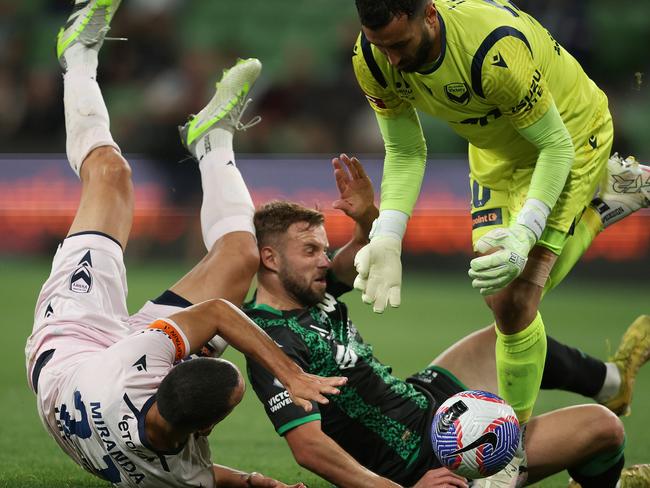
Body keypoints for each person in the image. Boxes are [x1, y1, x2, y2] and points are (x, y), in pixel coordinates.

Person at [25, 2, 346, 487]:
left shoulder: (143, 366)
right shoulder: (172, 475)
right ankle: (211, 138)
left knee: (111, 177)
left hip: (71, 339)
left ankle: (79, 57)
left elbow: (218, 314)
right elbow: (198, 472)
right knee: (242, 256)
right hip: (106, 388)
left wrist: (290, 375)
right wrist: (264, 483)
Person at [244, 154, 650, 487]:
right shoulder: (268, 339)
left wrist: (368, 216)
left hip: (423, 404)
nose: (324, 260)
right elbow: (309, 447)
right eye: (311, 250)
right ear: (270, 259)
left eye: (324, 248)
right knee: (602, 429)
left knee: (503, 336)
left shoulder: (313, 288)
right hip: (423, 460)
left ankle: (612, 383)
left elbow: (361, 253)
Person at [348, 0, 650, 426]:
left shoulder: (493, 52)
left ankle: (512, 453)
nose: (393, 59)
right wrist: (387, 235)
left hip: (569, 137)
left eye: (400, 44)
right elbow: (405, 149)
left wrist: (526, 233)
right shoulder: (373, 58)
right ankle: (612, 198)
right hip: (494, 151)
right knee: (500, 295)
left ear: (429, 15)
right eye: (382, 46)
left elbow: (555, 145)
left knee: (517, 300)